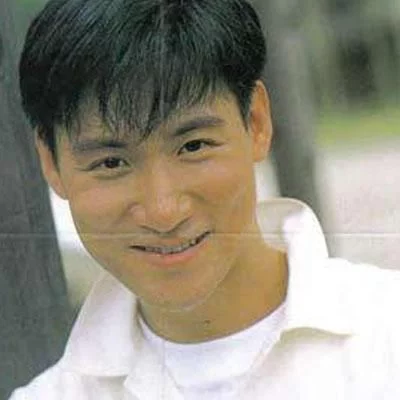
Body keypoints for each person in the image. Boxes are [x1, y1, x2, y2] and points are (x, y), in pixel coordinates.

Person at [10, 0, 400, 399]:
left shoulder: (388, 337)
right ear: (51, 163)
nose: (163, 211)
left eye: (193, 146)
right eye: (111, 163)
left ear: (256, 123)